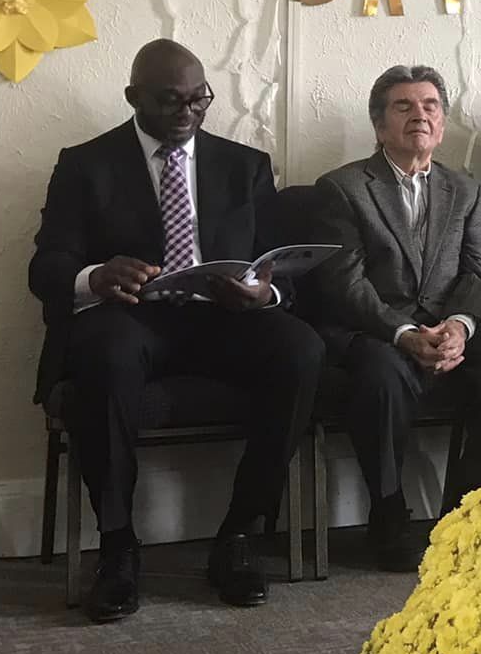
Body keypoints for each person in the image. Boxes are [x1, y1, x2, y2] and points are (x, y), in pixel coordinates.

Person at [28, 40, 324, 622]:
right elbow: (46, 266)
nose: (188, 113)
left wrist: (264, 293)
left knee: (302, 350)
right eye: (170, 101)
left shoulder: (245, 166)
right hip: (130, 318)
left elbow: (278, 268)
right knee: (105, 355)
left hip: (222, 318)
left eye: (199, 99)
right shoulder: (86, 164)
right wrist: (96, 276)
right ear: (133, 97)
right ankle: (118, 546)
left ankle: (239, 535)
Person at [309, 64, 481, 570]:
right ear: (379, 126)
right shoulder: (342, 188)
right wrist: (404, 332)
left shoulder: (466, 189)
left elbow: (480, 272)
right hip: (378, 326)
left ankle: (468, 509)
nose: (420, 115)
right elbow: (344, 283)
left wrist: (458, 327)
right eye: (404, 106)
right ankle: (388, 513)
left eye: (430, 106)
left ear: (441, 123)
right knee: (380, 374)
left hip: (448, 322)